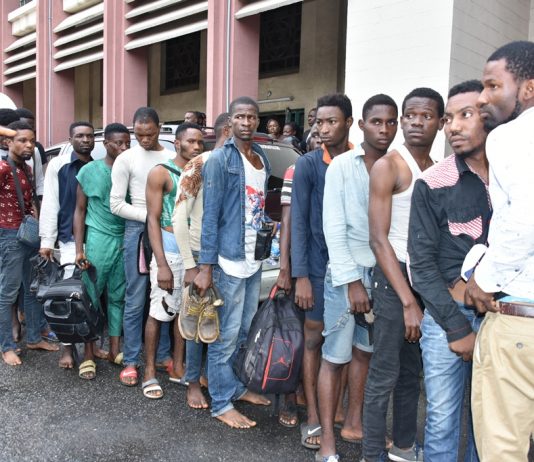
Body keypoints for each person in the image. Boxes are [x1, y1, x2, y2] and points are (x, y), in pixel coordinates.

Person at [408, 80, 490, 462]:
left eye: (466, 115)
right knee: (442, 421)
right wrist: (457, 329)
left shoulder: (516, 177)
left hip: (503, 320)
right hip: (447, 319)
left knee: (488, 424)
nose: (453, 126)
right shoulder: (433, 183)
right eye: (449, 119)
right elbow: (421, 266)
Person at [364, 87, 444, 462]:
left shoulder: (438, 168)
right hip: (393, 278)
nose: (415, 122)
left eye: (425, 116)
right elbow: (378, 240)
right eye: (409, 115)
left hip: (424, 279)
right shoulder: (389, 166)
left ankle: (404, 447)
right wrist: (408, 302)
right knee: (384, 373)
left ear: (440, 123)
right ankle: (371, 455)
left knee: (412, 373)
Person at [318, 94, 399, 462]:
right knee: (334, 358)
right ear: (362, 124)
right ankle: (327, 441)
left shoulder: (396, 166)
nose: (384, 129)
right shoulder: (341, 166)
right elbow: (333, 227)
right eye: (376, 122)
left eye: (390, 122)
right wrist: (352, 282)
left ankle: (354, 423)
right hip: (345, 275)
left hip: (382, 275)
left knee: (365, 355)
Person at [464, 40, 534, 462]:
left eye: (493, 85)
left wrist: (483, 280)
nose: (482, 97)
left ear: (528, 88)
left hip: (520, 322)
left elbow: (525, 219)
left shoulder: (512, 136)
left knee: (503, 450)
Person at [193, 96, 271, 429]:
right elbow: (210, 216)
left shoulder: (261, 156)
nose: (246, 122)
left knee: (244, 333)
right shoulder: (219, 160)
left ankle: (236, 387)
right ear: (230, 123)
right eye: (240, 116)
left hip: (254, 258)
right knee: (224, 336)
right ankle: (221, 403)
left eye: (251, 117)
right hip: (228, 260)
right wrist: (205, 267)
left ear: (257, 120)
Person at [290, 93, 354, 451]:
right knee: (314, 340)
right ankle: (313, 414)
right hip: (315, 267)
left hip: (353, 271)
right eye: (319, 123)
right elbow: (298, 221)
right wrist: (300, 275)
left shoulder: (362, 160)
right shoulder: (309, 164)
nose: (324, 129)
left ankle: (336, 409)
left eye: (332, 122)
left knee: (345, 344)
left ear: (349, 123)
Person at [110, 107, 175, 387]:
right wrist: (151, 217)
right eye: (139, 135)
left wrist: (163, 221)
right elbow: (116, 204)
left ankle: (163, 355)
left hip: (169, 231)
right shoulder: (126, 158)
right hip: (138, 231)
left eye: (149, 134)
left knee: (166, 295)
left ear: (159, 128)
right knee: (136, 298)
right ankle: (131, 360)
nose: (144, 140)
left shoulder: (171, 155)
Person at [172, 113, 231, 409]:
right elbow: (179, 216)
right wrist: (189, 264)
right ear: (228, 130)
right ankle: (192, 382)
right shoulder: (200, 164)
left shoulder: (239, 164)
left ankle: (215, 378)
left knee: (221, 323)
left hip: (229, 256)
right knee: (196, 323)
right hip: (199, 254)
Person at [142, 122, 203, 399]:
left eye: (200, 142)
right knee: (159, 310)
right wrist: (162, 264)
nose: (196, 147)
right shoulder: (161, 173)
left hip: (194, 251)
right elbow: (152, 219)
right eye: (191, 141)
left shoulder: (200, 172)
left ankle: (178, 367)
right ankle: (149, 372)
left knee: (184, 313)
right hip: (169, 251)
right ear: (177, 143)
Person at [39, 121, 104, 370]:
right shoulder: (59, 165)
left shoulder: (98, 167)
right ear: (70, 140)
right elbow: (50, 203)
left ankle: (92, 345)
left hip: (95, 239)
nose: (86, 140)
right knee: (67, 297)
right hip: (68, 240)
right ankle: (68, 349)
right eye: (80, 136)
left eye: (89, 136)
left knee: (94, 296)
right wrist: (47, 240)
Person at [73, 123, 131, 378]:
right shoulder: (90, 171)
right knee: (91, 297)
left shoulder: (131, 170)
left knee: (118, 297)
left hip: (124, 239)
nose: (124, 147)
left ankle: (114, 349)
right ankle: (89, 353)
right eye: (118, 143)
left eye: (127, 143)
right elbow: (79, 211)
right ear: (106, 143)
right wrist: (79, 249)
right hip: (98, 239)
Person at [0, 121, 59, 366]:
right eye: (22, 140)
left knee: (33, 289)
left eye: (32, 141)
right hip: (10, 236)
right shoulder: (3, 167)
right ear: (8, 143)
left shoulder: (25, 167)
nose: (29, 145)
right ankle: (6, 346)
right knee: (7, 293)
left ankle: (34, 337)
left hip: (29, 235)